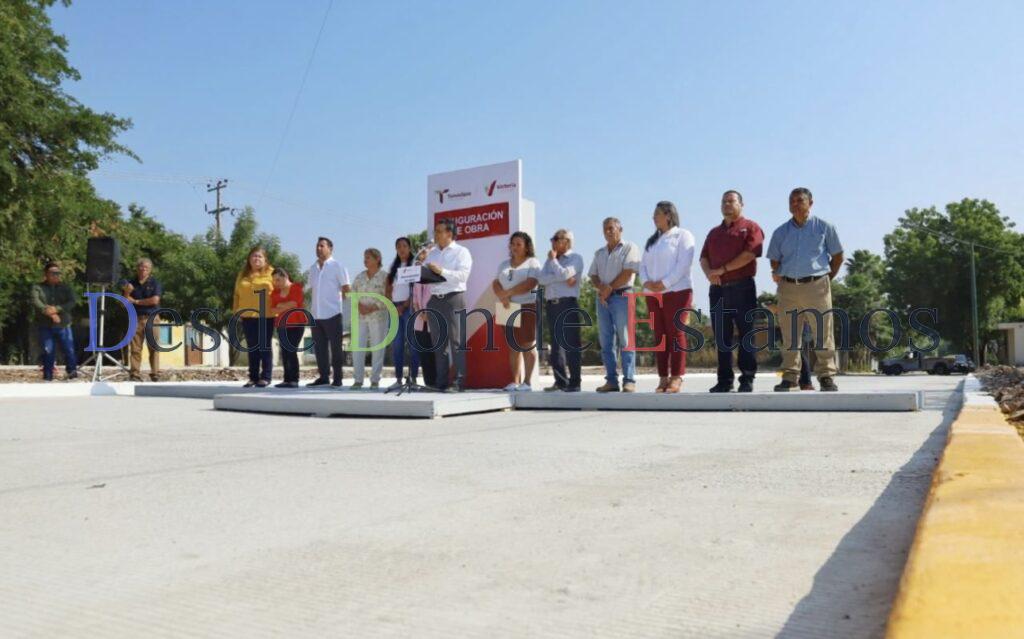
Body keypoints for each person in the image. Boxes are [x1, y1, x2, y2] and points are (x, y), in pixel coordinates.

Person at [766, 187, 844, 392]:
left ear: (811, 203)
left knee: (823, 332)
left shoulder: (825, 227)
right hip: (788, 288)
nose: (795, 204)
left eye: (800, 200)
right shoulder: (780, 232)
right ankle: (790, 376)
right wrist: (780, 274)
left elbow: (837, 257)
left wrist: (826, 279)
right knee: (790, 334)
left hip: (817, 286)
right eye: (791, 201)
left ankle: (826, 375)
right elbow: (774, 260)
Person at [699, 190, 765, 393]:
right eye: (724, 201)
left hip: (742, 287)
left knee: (746, 333)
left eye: (731, 201)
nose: (727, 204)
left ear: (741, 204)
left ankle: (747, 378)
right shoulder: (714, 233)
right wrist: (710, 273)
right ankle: (724, 380)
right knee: (722, 336)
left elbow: (749, 254)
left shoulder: (751, 227)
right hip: (718, 290)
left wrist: (723, 269)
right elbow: (703, 257)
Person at [640, 201, 696, 393]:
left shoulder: (683, 235)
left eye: (657, 213)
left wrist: (663, 283)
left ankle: (677, 377)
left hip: (677, 291)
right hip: (653, 295)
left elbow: (684, 264)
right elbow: (643, 266)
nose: (653, 217)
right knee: (659, 336)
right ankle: (663, 378)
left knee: (676, 333)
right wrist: (647, 283)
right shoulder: (652, 241)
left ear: (669, 215)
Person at [588, 217, 642, 393]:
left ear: (620, 229)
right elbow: (593, 275)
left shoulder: (630, 248)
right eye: (605, 229)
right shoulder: (599, 253)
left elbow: (628, 273)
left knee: (625, 340)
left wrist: (608, 289)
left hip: (622, 297)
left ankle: (629, 380)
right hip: (603, 300)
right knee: (606, 342)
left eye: (611, 228)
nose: (608, 232)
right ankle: (611, 381)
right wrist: (602, 289)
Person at [423, 219, 473, 392]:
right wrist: (420, 269)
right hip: (435, 299)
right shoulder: (432, 253)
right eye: (435, 231)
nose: (435, 234)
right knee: (438, 344)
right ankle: (441, 382)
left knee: (457, 342)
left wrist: (441, 271)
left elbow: (463, 276)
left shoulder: (461, 252)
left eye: (439, 231)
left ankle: (459, 382)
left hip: (454, 298)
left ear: (449, 234)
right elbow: (425, 274)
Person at [492, 231, 541, 391]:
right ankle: (515, 381)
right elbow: (496, 283)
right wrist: (502, 296)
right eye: (512, 244)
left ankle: (527, 382)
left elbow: (531, 283)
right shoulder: (503, 265)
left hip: (527, 306)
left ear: (527, 247)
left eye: (519, 244)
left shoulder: (533, 263)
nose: (515, 247)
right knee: (513, 346)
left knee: (527, 345)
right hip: (507, 308)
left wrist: (508, 293)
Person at [538, 228, 585, 392]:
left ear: (567, 241)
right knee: (557, 346)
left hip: (568, 304)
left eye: (556, 239)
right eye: (552, 239)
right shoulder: (550, 260)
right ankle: (560, 381)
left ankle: (575, 382)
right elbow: (541, 278)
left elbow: (565, 273)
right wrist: (560, 277)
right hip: (552, 305)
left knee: (571, 344)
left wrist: (554, 264)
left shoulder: (576, 258)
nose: (552, 242)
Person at [306, 236, 351, 388]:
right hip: (316, 315)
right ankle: (323, 377)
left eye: (322, 246)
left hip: (333, 314)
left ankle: (337, 378)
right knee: (320, 349)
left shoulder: (337, 266)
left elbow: (346, 289)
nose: (318, 248)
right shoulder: (313, 268)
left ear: (330, 249)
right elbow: (311, 289)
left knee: (336, 348)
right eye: (317, 246)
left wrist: (342, 307)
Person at [233, 246, 275, 387]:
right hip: (247, 314)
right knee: (252, 347)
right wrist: (236, 311)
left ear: (265, 259)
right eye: (253, 256)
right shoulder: (243, 274)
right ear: (249, 259)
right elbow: (236, 294)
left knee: (264, 346)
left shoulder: (272, 273)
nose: (256, 259)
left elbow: (280, 291)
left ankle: (266, 377)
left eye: (259, 256)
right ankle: (253, 377)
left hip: (266, 315)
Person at [31, 262, 79, 381]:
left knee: (69, 350)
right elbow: (36, 302)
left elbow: (72, 302)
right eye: (53, 273)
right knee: (48, 351)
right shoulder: (37, 287)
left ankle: (72, 374)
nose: (56, 275)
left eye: (58, 273)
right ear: (46, 274)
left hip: (63, 324)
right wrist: (51, 314)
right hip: (45, 325)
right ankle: (48, 377)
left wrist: (57, 309)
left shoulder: (66, 287)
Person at [351, 248, 389, 389]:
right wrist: (359, 306)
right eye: (364, 257)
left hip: (378, 317)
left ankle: (375, 380)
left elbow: (388, 296)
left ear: (377, 258)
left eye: (368, 257)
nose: (365, 260)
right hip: (360, 317)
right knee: (358, 348)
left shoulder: (385, 277)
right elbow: (353, 293)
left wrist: (373, 307)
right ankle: (358, 380)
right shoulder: (360, 277)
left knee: (377, 348)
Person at [121, 257, 163, 382]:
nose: (143, 269)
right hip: (136, 319)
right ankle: (134, 374)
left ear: (150, 270)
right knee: (135, 348)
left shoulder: (155, 283)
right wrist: (127, 293)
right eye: (141, 267)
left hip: (152, 318)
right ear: (137, 268)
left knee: (154, 347)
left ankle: (155, 373)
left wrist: (136, 301)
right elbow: (124, 303)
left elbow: (155, 300)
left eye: (146, 268)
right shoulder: (130, 283)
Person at [385, 237, 419, 390]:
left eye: (404, 246)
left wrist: (405, 305)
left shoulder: (415, 264)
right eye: (398, 246)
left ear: (410, 248)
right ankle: (398, 379)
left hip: (409, 307)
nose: (402, 249)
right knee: (397, 345)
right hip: (394, 308)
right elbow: (388, 288)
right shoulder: (393, 266)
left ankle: (413, 379)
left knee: (413, 345)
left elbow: (416, 289)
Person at [269, 267, 306, 388]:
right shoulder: (275, 292)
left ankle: (294, 380)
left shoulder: (296, 288)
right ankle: (286, 380)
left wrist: (281, 305)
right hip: (282, 324)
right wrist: (285, 306)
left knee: (291, 350)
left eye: (278, 280)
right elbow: (273, 309)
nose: (276, 283)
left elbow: (295, 304)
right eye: (274, 280)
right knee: (284, 352)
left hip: (297, 323)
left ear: (285, 276)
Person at [411, 248, 437, 388]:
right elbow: (415, 297)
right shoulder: (417, 277)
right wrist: (419, 311)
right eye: (421, 254)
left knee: (434, 352)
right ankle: (428, 383)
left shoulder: (435, 274)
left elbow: (437, 295)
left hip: (434, 318)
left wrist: (429, 313)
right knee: (424, 352)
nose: (422, 256)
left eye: (425, 254)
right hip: (420, 319)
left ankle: (437, 382)